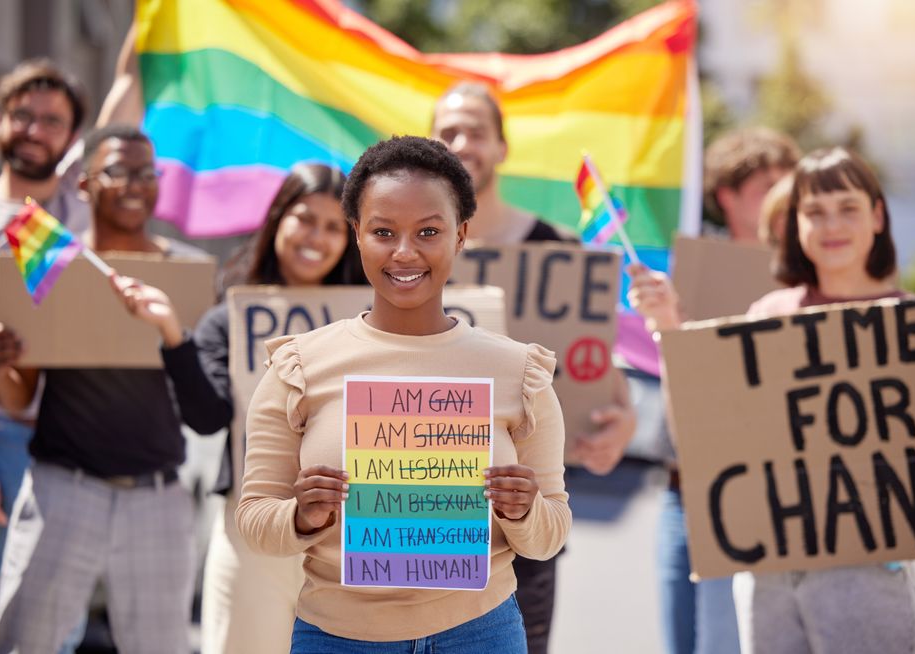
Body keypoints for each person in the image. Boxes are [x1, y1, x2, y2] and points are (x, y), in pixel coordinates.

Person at [236, 135, 571, 653]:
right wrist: (301, 515)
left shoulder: (520, 372)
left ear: (461, 236)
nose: (405, 252)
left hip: (481, 634)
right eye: (383, 231)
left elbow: (552, 536)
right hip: (338, 638)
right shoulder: (298, 367)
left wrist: (524, 511)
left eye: (429, 231)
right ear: (357, 235)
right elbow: (256, 520)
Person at [110, 162, 366, 654]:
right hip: (257, 532)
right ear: (277, 221)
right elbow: (206, 417)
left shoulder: (374, 321)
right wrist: (171, 335)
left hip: (355, 527)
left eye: (334, 226)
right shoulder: (227, 320)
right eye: (304, 218)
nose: (317, 236)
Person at [0, 125, 206, 654]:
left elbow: (203, 402)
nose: (136, 183)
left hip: (158, 499)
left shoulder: (188, 275)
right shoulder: (49, 267)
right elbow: (18, 399)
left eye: (148, 172)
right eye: (119, 171)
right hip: (63, 490)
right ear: (84, 185)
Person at [431, 82, 636, 652]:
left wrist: (623, 424)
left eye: (475, 129)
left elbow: (600, 375)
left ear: (501, 146)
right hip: (417, 507)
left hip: (524, 519)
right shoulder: (409, 252)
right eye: (448, 130)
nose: (461, 141)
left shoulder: (560, 249)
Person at [731, 146, 915, 653]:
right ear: (794, 224)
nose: (831, 225)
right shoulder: (766, 315)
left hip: (871, 571)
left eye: (848, 208)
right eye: (814, 212)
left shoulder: (911, 328)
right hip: (772, 571)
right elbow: (721, 428)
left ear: (878, 216)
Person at [631, 127, 801, 654]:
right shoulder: (688, 272)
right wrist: (667, 320)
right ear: (726, 194)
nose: (780, 194)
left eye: (785, 183)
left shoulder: (803, 278)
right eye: (764, 184)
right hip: (687, 489)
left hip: (775, 493)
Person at [0, 59, 92, 654]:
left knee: (63, 625)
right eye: (22, 115)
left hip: (83, 439)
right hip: (6, 440)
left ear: (70, 135)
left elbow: (127, 104)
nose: (35, 129)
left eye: (52, 120)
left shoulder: (83, 209)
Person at [704, 127, 801, 243]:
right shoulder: (690, 257)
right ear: (726, 197)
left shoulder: (816, 258)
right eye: (770, 187)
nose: (785, 199)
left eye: (790, 188)